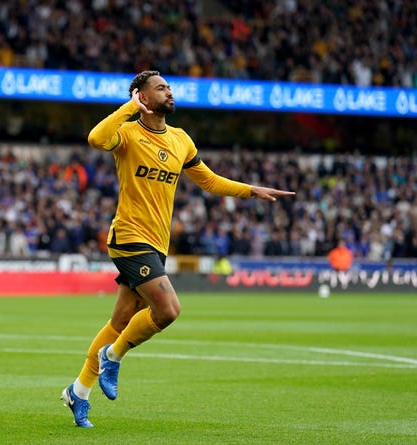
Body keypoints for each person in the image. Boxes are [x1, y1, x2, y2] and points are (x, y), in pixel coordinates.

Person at [60, 70, 295, 427]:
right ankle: (114, 355)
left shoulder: (181, 139)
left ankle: (78, 392)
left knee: (120, 321)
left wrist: (252, 190)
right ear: (142, 96)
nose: (169, 92)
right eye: (160, 88)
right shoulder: (127, 134)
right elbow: (95, 138)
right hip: (128, 237)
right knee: (168, 310)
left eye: (169, 87)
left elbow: (210, 181)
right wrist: (128, 108)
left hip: (156, 244)